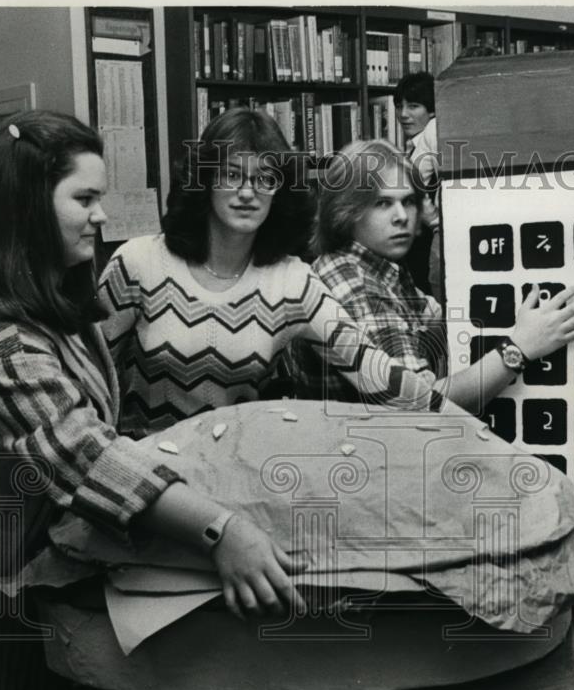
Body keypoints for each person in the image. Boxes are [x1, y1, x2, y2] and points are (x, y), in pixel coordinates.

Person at [0, 111, 305, 690]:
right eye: (85, 198)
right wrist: (221, 530)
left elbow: (107, 431)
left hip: (52, 562)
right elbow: (85, 455)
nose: (102, 215)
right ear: (26, 208)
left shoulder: (59, 312)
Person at [98, 107, 442, 443]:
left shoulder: (292, 282)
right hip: (143, 475)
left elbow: (376, 373)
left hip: (235, 474)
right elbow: (89, 381)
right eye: (232, 174)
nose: (248, 192)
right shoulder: (138, 263)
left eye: (265, 178)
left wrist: (463, 420)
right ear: (204, 180)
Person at [288, 138, 574, 414]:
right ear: (345, 210)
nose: (401, 216)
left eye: (408, 201)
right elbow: (422, 407)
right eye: (382, 203)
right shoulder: (357, 284)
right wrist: (520, 347)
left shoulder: (371, 266)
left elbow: (434, 323)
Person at [393, 71, 441, 297]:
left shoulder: (431, 137)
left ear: (432, 110)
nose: (403, 114)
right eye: (399, 106)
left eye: (413, 106)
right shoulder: (414, 146)